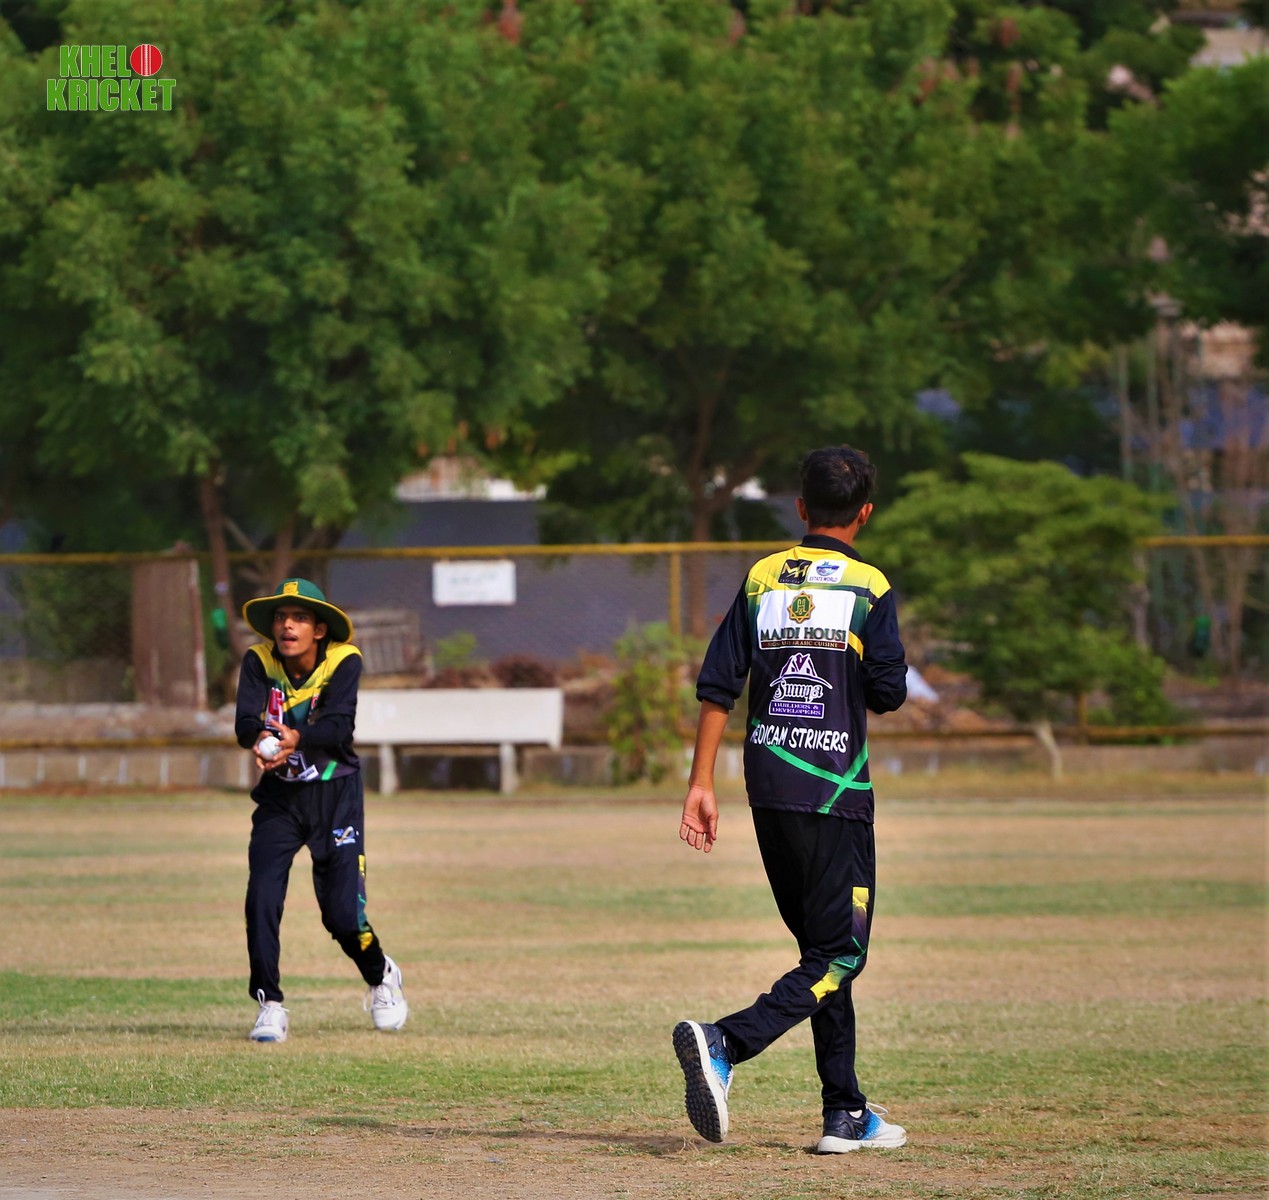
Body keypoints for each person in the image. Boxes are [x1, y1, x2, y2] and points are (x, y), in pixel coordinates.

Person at [673, 445, 908, 1153]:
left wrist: (699, 783)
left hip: (769, 787)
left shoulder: (762, 578)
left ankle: (845, 1113)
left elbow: (718, 684)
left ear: (800, 507)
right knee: (841, 956)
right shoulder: (869, 587)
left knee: (820, 953)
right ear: (865, 513)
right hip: (836, 792)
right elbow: (888, 693)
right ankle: (725, 1041)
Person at [234, 577, 408, 1043]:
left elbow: (338, 726)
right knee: (261, 897)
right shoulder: (259, 660)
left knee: (341, 916)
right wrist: (260, 739)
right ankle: (269, 1004)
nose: (287, 626)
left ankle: (381, 975)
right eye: (280, 617)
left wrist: (296, 738)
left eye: (300, 617)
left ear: (320, 629)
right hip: (280, 799)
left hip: (336, 797)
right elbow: (245, 721)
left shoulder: (343, 660)